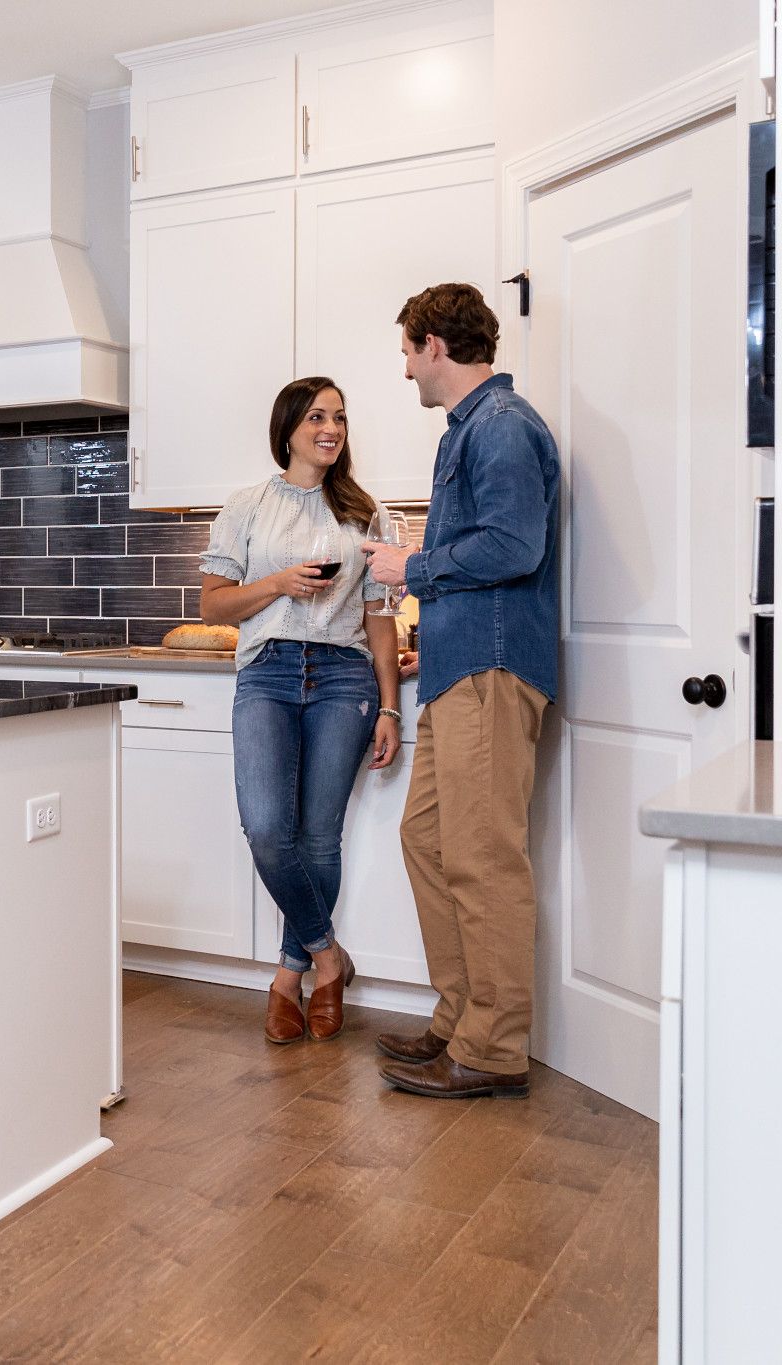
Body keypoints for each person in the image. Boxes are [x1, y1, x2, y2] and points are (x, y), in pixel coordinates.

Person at [362, 282, 560, 1100]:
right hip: (456, 666)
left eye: (408, 350)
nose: (405, 368)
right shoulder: (471, 430)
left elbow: (514, 544)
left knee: (481, 858)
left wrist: (410, 568)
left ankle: (492, 1048)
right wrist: (426, 640)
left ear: (436, 346)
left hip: (491, 668)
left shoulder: (503, 428)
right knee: (429, 839)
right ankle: (460, 1018)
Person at [201, 377, 403, 1045]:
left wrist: (391, 709)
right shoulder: (247, 506)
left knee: (319, 838)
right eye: (317, 415)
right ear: (288, 427)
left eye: (340, 416)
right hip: (269, 672)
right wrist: (279, 584)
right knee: (266, 827)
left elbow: (378, 619)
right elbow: (213, 606)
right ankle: (326, 956)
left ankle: (288, 981)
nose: (332, 427)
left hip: (344, 677)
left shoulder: (360, 510)